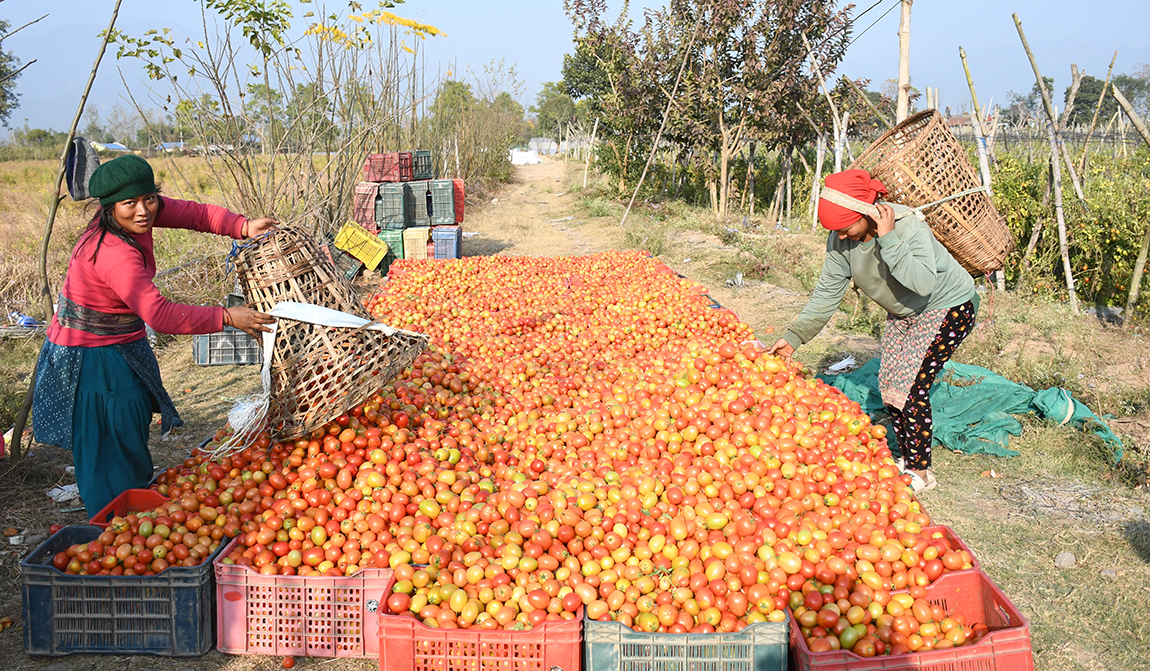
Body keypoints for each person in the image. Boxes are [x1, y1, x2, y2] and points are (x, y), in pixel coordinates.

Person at [32, 154, 277, 517]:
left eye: (148, 198)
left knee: (129, 429)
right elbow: (158, 313)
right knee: (109, 438)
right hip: (93, 356)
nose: (143, 211)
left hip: (121, 342)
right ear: (109, 207)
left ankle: (136, 508)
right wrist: (225, 316)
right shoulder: (114, 253)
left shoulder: (140, 214)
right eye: (129, 204)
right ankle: (114, 525)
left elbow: (195, 214)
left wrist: (241, 226)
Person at [767, 169, 978, 492]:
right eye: (835, 230)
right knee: (889, 382)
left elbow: (921, 284)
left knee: (909, 385)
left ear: (867, 213)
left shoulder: (906, 227)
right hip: (904, 311)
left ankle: (921, 473)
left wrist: (888, 237)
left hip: (947, 305)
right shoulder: (840, 240)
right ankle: (907, 460)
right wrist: (794, 338)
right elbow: (827, 292)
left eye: (846, 227)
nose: (842, 236)